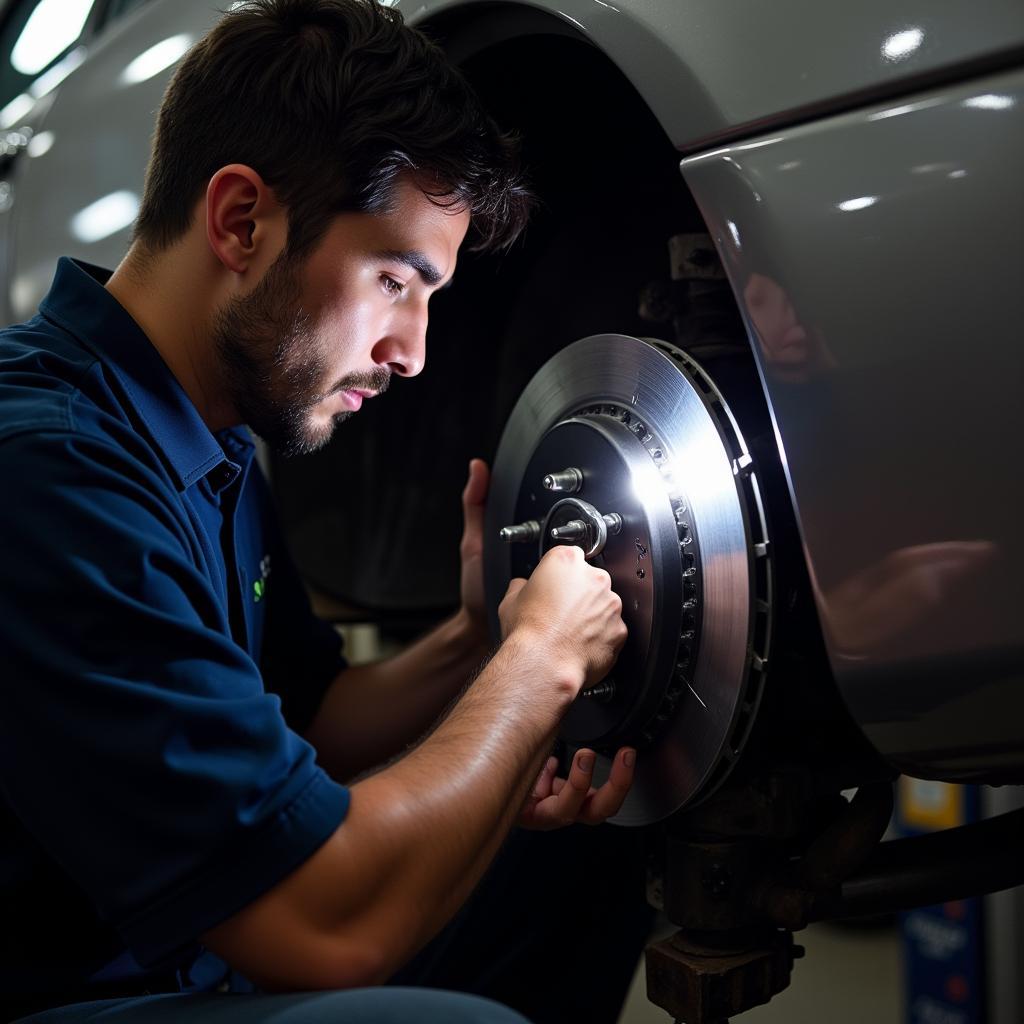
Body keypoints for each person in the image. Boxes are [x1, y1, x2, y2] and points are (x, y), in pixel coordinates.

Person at [0, 2, 654, 1021]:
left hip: (184, 955)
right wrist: (538, 666)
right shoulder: (49, 474)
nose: (413, 351)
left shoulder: (197, 434)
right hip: (64, 991)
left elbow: (310, 716)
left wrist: (479, 632)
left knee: (580, 866)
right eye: (395, 279)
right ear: (240, 221)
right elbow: (321, 927)